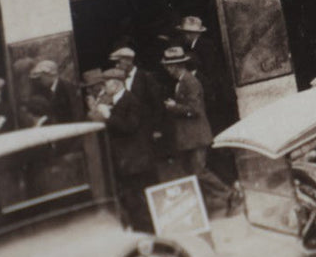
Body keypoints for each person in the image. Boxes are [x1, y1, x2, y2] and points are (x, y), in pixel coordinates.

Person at [156, 46, 229, 203]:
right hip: (191, 137)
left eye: (168, 66)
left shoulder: (190, 82)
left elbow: (195, 110)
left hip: (196, 136)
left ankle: (229, 195)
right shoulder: (182, 81)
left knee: (199, 171)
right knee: (194, 172)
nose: (167, 70)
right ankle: (214, 200)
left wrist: (174, 107)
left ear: (175, 66)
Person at [93, 65, 158, 232]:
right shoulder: (118, 102)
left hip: (136, 161)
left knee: (138, 198)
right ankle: (143, 229)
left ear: (116, 84)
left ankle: (148, 231)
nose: (104, 88)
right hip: (127, 161)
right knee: (133, 199)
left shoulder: (130, 101)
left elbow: (130, 126)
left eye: (105, 84)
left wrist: (109, 116)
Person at [26, 59, 83, 125]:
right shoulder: (46, 90)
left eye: (41, 77)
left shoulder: (67, 88)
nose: (40, 80)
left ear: (48, 74)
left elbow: (76, 112)